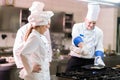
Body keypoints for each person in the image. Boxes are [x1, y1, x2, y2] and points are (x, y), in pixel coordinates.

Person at [13, 1, 53, 80]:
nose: (47, 28)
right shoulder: (30, 34)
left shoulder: (41, 33)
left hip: (42, 70)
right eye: (46, 26)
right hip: (34, 70)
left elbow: (47, 45)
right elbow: (19, 51)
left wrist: (48, 60)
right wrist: (27, 67)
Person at [65, 3, 105, 72]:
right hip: (76, 60)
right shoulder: (77, 26)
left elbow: (99, 47)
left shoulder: (99, 32)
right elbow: (76, 38)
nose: (91, 25)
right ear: (85, 19)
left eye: (94, 23)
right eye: (89, 22)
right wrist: (83, 46)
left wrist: (99, 57)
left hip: (90, 62)